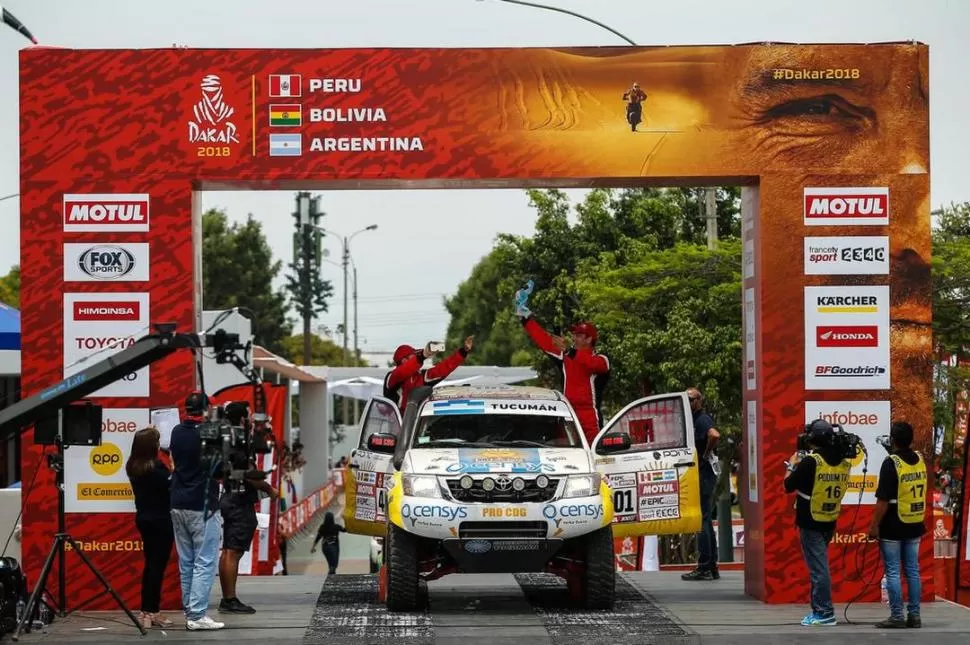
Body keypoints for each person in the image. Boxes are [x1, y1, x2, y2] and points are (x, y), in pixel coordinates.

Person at [513, 287, 610, 444]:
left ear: (589, 339)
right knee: (566, 451)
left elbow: (593, 364)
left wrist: (569, 351)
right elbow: (544, 340)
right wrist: (526, 318)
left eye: (579, 335)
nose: (574, 338)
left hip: (590, 416)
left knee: (593, 450)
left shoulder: (601, 358)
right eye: (574, 335)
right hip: (568, 412)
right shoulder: (566, 356)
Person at [784, 419, 851, 626]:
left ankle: (824, 612)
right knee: (818, 567)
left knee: (818, 570)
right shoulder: (842, 460)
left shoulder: (811, 462)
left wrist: (792, 464)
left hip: (810, 520)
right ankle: (819, 610)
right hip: (829, 519)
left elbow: (788, 485)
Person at [169, 392, 224, 631]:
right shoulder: (209, 435)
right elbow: (220, 470)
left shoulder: (176, 432)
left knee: (187, 562)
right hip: (202, 504)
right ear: (206, 409)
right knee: (205, 561)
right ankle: (197, 614)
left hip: (178, 502)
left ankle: (191, 611)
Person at [218, 402, 279, 614]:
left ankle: (228, 598)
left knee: (228, 551)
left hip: (229, 498)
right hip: (239, 501)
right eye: (250, 416)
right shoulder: (239, 441)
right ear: (243, 419)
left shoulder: (226, 438)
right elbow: (249, 475)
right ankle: (229, 599)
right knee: (232, 552)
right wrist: (269, 489)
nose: (253, 420)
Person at [868, 421, 927, 629]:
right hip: (914, 522)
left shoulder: (891, 462)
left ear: (892, 439)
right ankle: (915, 616)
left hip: (893, 524)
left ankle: (896, 616)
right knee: (912, 570)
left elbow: (883, 499)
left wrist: (874, 525)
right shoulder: (919, 459)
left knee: (893, 571)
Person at [125, 426, 175, 629]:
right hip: (161, 520)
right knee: (157, 567)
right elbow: (172, 486)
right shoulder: (157, 468)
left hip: (144, 518)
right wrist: (172, 463)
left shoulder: (133, 466)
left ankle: (146, 611)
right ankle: (151, 611)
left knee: (150, 565)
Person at [681, 388, 721, 581]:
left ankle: (705, 566)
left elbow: (715, 435)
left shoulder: (701, 419)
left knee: (702, 519)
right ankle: (711, 566)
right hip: (703, 473)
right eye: (685, 399)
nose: (688, 402)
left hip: (704, 473)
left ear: (698, 401)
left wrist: (705, 454)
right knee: (705, 519)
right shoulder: (692, 420)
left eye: (690, 399)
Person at [383, 337, 474, 412]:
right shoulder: (391, 377)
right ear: (404, 360)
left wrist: (463, 352)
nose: (416, 357)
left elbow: (443, 368)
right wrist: (422, 356)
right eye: (413, 355)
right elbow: (401, 372)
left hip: (415, 424)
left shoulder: (420, 377)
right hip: (396, 424)